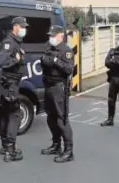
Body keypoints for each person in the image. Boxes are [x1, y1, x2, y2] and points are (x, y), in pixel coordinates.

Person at [40, 25, 75, 163]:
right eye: (50, 36)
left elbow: (68, 69)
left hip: (59, 87)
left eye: (53, 36)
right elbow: (43, 62)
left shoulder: (66, 51)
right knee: (51, 117)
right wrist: (47, 60)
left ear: (61, 36)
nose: (51, 38)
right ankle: (56, 144)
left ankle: (68, 151)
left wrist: (55, 61)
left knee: (62, 119)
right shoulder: (49, 49)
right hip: (48, 86)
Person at [0, 16, 28, 162]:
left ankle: (4, 146)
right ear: (15, 27)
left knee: (6, 113)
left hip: (8, 84)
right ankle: (10, 150)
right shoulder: (10, 42)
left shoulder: (16, 42)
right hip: (10, 85)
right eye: (23, 27)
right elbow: (1, 61)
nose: (24, 29)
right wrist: (17, 59)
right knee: (14, 115)